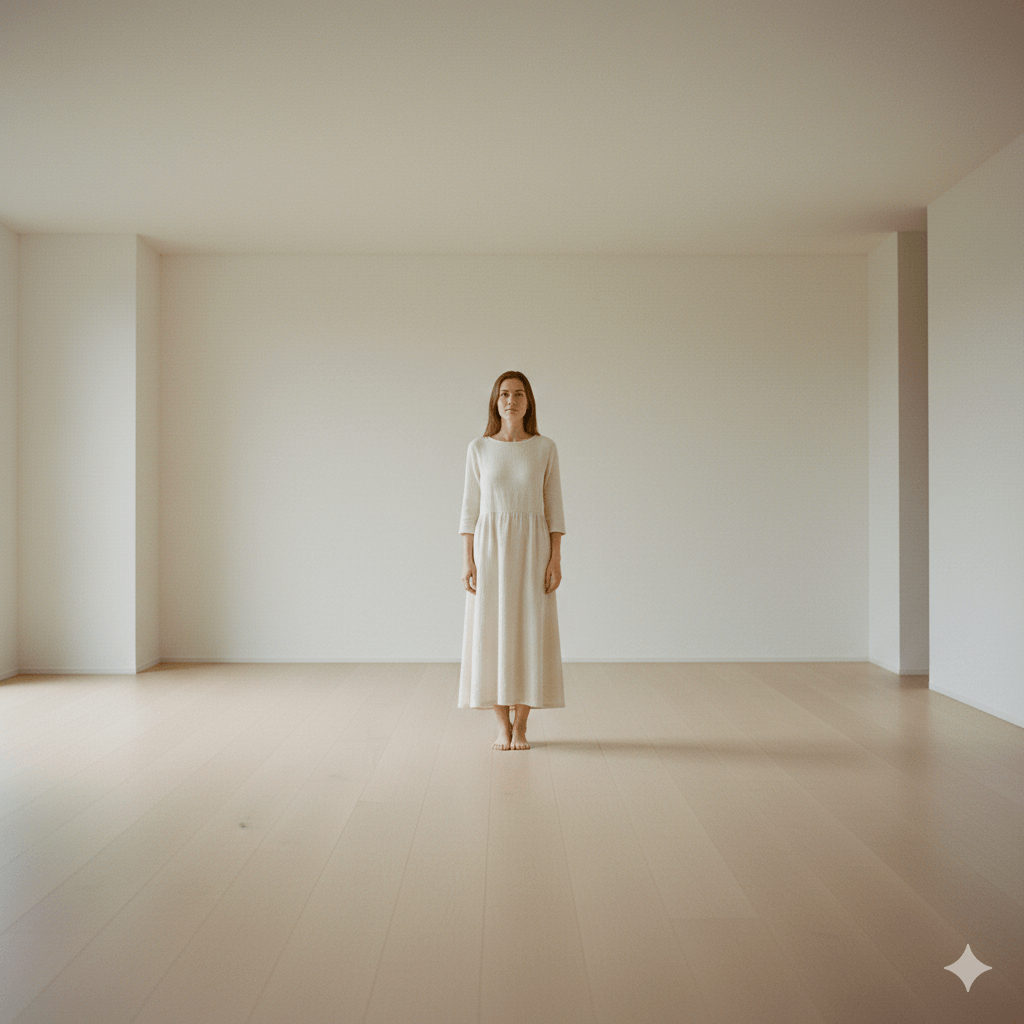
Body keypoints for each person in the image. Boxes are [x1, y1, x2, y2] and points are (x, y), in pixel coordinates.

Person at [459, 371, 566, 750]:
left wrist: (555, 559)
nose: (511, 400)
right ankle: (501, 725)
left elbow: (554, 509)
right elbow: (470, 510)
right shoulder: (479, 449)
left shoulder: (545, 448)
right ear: (495, 401)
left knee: (528, 632)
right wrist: (468, 560)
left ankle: (521, 725)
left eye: (519, 394)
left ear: (528, 402)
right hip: (490, 553)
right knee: (492, 632)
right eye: (504, 394)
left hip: (532, 550)